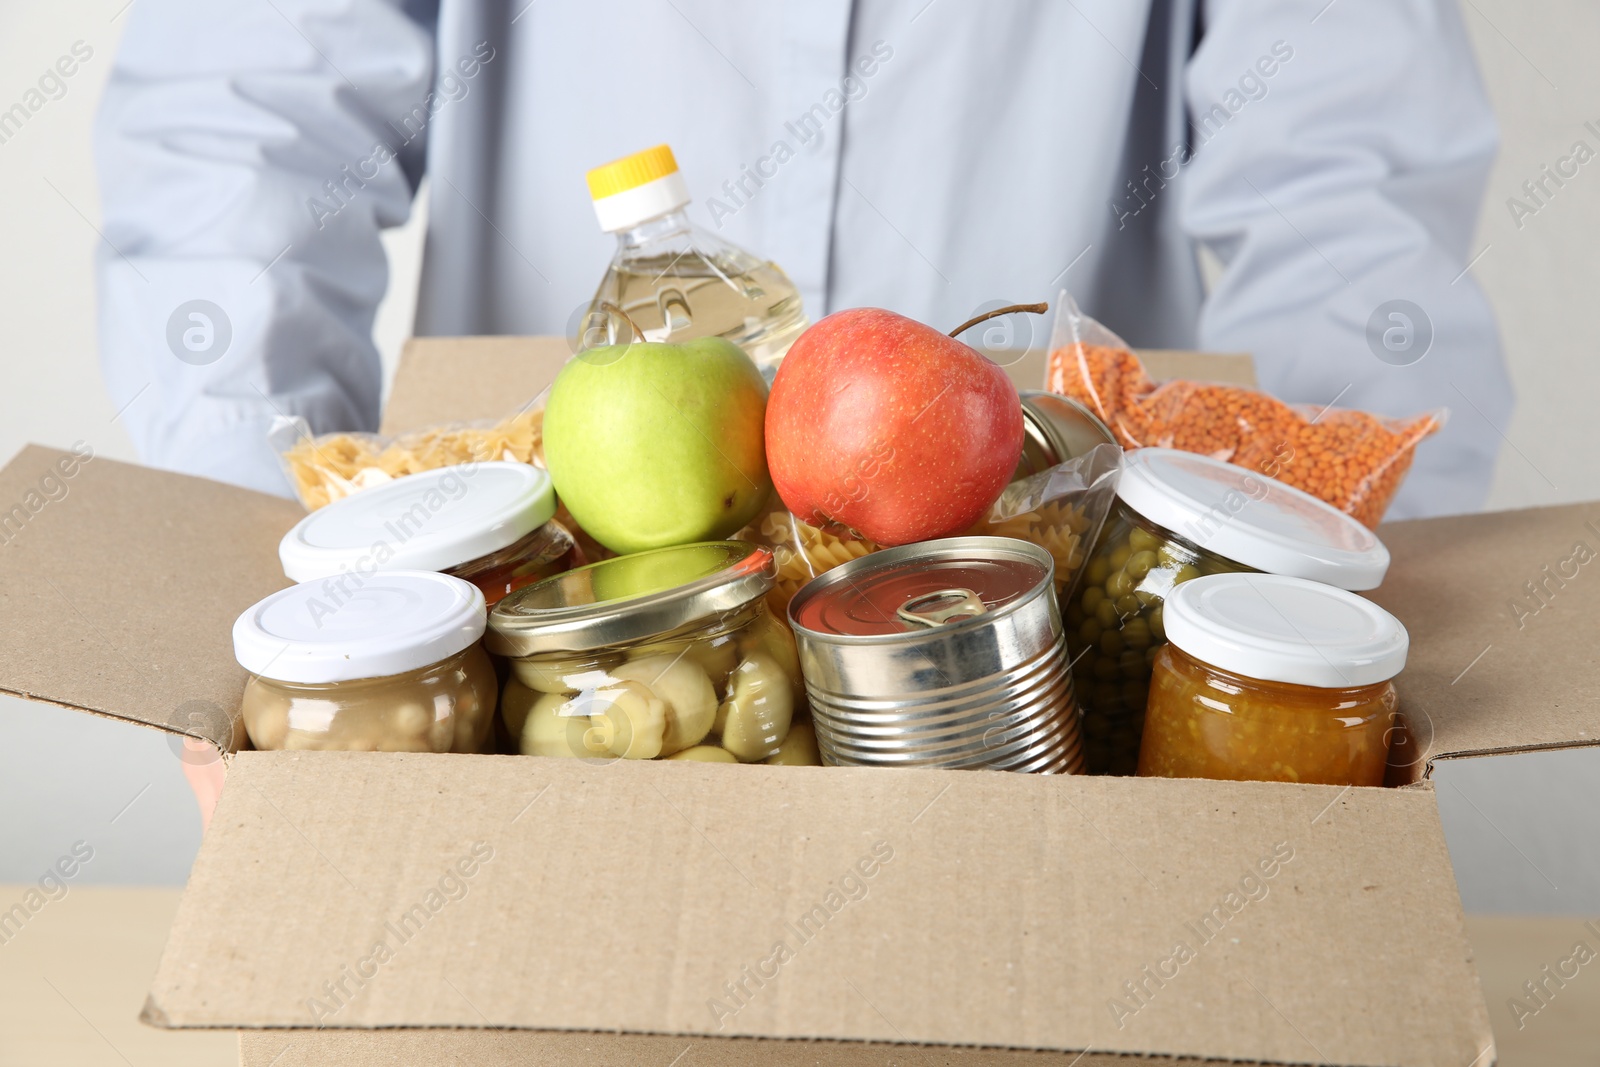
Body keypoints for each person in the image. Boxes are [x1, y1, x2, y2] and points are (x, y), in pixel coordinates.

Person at [95, 0, 1510, 519]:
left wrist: (1349, 578)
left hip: (1050, 616)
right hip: (558, 621)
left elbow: (1349, 170)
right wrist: (252, 598)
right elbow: (247, 114)